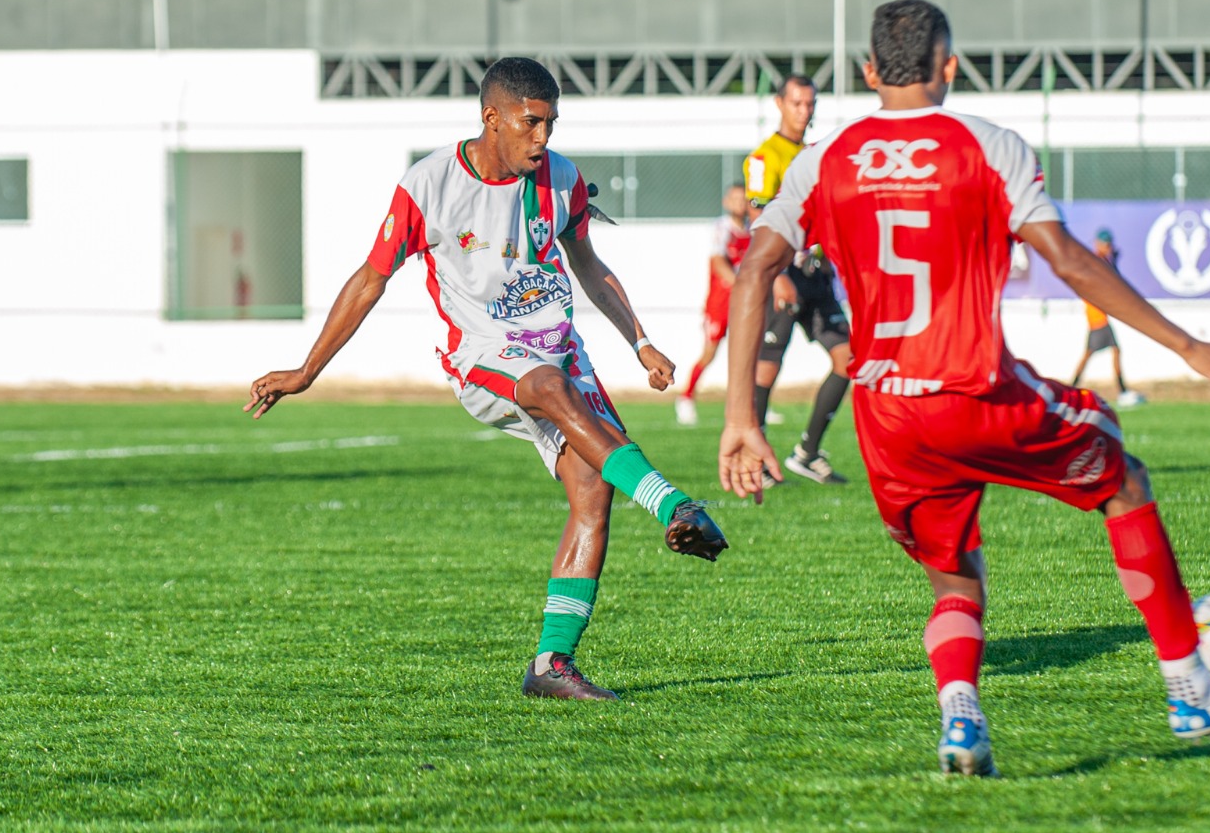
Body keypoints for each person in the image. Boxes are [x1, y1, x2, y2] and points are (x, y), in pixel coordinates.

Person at [719, 0, 1210, 776]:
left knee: (954, 575)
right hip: (975, 390)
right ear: (947, 65)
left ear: (866, 72)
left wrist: (741, 420)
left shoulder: (825, 160)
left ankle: (962, 718)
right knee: (1123, 477)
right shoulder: (988, 147)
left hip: (886, 413)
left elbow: (755, 268)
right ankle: (1191, 690)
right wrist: (1188, 345)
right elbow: (1071, 260)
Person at [245, 57, 727, 704]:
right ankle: (674, 505)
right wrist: (306, 371)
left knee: (592, 486)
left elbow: (589, 263)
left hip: (558, 347)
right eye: (531, 123)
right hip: (483, 358)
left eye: (551, 123)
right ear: (491, 117)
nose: (543, 139)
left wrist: (639, 341)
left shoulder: (562, 179)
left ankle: (552, 665)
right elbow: (370, 279)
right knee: (550, 392)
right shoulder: (429, 184)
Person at [745, 74, 853, 485]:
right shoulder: (764, 157)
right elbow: (759, 220)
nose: (804, 111)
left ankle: (807, 453)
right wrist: (775, 277)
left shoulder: (816, 155)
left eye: (810, 104)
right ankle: (756, 459)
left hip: (817, 276)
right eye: (796, 103)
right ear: (780, 104)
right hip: (783, 273)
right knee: (767, 371)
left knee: (849, 359)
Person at [675, 184, 752, 427]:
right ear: (727, 202)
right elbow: (719, 263)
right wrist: (743, 285)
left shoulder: (753, 230)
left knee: (749, 354)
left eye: (744, 199)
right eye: (736, 199)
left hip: (745, 304)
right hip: (720, 303)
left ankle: (753, 404)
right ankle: (686, 398)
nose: (741, 203)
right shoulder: (722, 229)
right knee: (710, 353)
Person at [1071, 228, 1145, 409]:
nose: (1109, 247)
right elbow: (1111, 282)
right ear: (1099, 244)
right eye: (1107, 244)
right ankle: (1121, 391)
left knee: (1105, 352)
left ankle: (1072, 388)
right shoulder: (1098, 261)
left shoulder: (1102, 260)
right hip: (1097, 315)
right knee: (1107, 351)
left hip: (1098, 313)